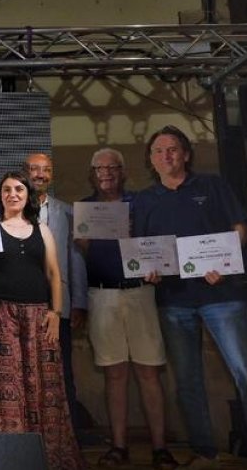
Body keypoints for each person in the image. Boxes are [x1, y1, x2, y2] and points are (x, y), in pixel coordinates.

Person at [133, 126, 247, 470]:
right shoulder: (143, 200)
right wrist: (147, 270)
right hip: (173, 301)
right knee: (187, 382)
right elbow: (141, 249)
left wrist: (224, 262)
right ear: (151, 161)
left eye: (172, 149)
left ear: (185, 154)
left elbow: (240, 228)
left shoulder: (212, 186)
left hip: (222, 296)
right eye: (158, 151)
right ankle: (205, 453)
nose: (165, 155)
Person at [0, 172, 85, 470]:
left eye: (19, 188)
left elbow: (53, 274)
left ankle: (45, 454)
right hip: (0, 315)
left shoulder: (42, 230)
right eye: (6, 189)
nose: (13, 193)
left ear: (27, 194)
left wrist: (55, 312)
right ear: (0, 195)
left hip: (38, 316)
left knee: (44, 385)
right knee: (2, 383)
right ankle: (6, 456)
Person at [75, 148, 177, 469]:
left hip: (140, 292)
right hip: (101, 296)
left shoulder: (141, 203)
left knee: (149, 373)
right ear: (92, 174)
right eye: (99, 168)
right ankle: (118, 446)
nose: (105, 172)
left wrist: (158, 265)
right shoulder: (85, 208)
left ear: (123, 172)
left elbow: (159, 243)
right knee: (114, 375)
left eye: (112, 167)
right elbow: (82, 255)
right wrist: (85, 240)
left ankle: (160, 447)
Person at [24, 152, 91, 434]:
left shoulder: (67, 211)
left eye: (46, 170)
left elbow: (74, 258)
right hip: (22, 302)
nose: (40, 174)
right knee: (25, 369)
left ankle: (67, 435)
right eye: (35, 169)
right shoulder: (6, 209)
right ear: (24, 172)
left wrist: (79, 302)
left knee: (62, 370)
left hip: (58, 305)